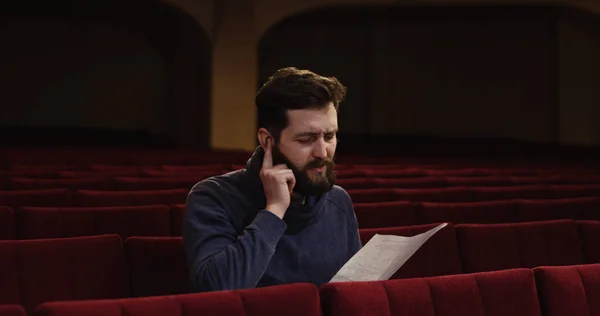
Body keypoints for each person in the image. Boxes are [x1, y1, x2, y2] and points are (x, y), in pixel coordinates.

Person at [182, 67, 362, 293]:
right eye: (306, 139)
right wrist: (274, 210)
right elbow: (217, 290)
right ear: (267, 140)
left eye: (329, 136)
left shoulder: (338, 200)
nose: (323, 152)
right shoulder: (212, 197)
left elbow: (354, 292)